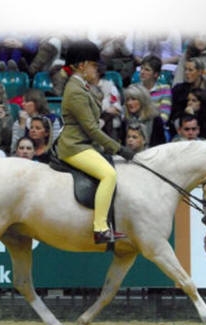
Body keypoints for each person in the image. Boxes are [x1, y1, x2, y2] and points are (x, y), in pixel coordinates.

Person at [55, 39, 135, 244]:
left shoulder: (82, 87)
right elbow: (91, 128)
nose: (96, 70)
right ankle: (100, 228)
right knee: (108, 175)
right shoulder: (75, 91)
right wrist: (119, 149)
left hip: (83, 143)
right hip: (74, 146)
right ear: (81, 66)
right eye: (93, 65)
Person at [169, 57, 206, 137]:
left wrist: (198, 111)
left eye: (190, 70)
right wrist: (186, 113)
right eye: (185, 69)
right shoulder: (179, 90)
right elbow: (174, 114)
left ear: (199, 72)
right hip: (183, 126)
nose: (186, 73)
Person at [122, 83, 166, 148]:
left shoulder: (156, 120)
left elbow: (160, 146)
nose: (129, 103)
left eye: (133, 99)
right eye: (127, 100)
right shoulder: (125, 120)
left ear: (143, 100)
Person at [138, 55, 172, 132]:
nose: (142, 72)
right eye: (141, 68)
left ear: (156, 74)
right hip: (137, 128)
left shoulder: (165, 89)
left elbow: (164, 116)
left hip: (157, 129)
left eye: (147, 70)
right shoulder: (135, 89)